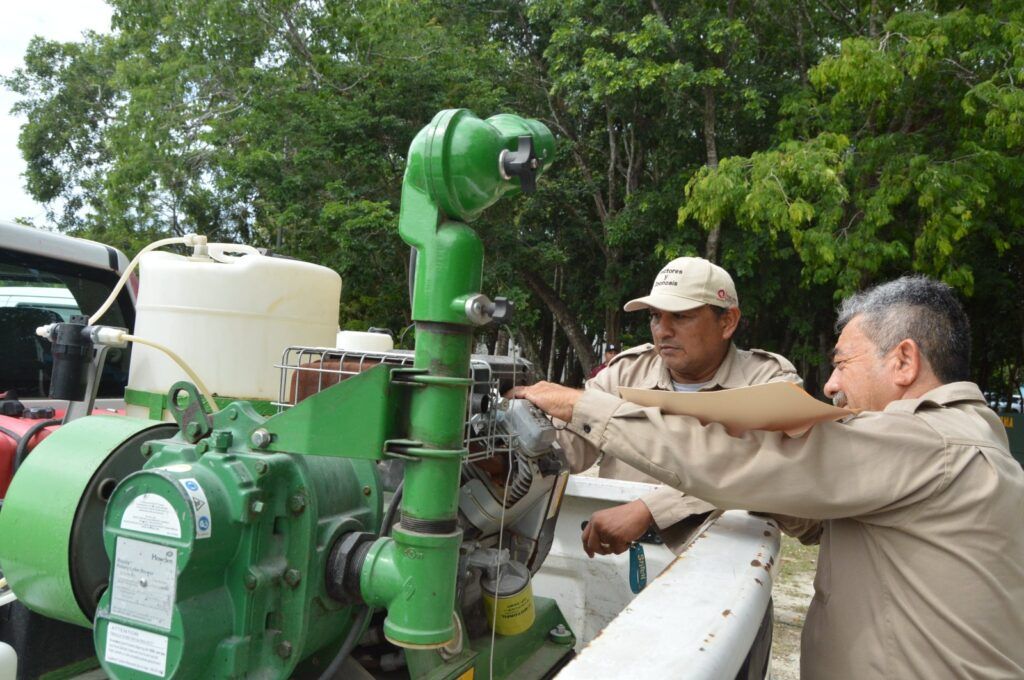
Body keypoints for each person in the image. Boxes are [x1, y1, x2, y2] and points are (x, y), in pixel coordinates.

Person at [514, 276, 1024, 677]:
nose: (831, 384)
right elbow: (810, 516)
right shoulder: (958, 440)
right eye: (656, 317)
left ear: (904, 361)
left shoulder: (925, 443)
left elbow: (742, 462)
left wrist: (584, 406)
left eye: (842, 363)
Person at [560, 256, 810, 552]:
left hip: (727, 564)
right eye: (655, 316)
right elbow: (567, 447)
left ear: (727, 321)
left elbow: (761, 466)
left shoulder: (767, 382)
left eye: (680, 316)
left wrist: (651, 509)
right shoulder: (624, 375)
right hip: (619, 559)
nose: (662, 330)